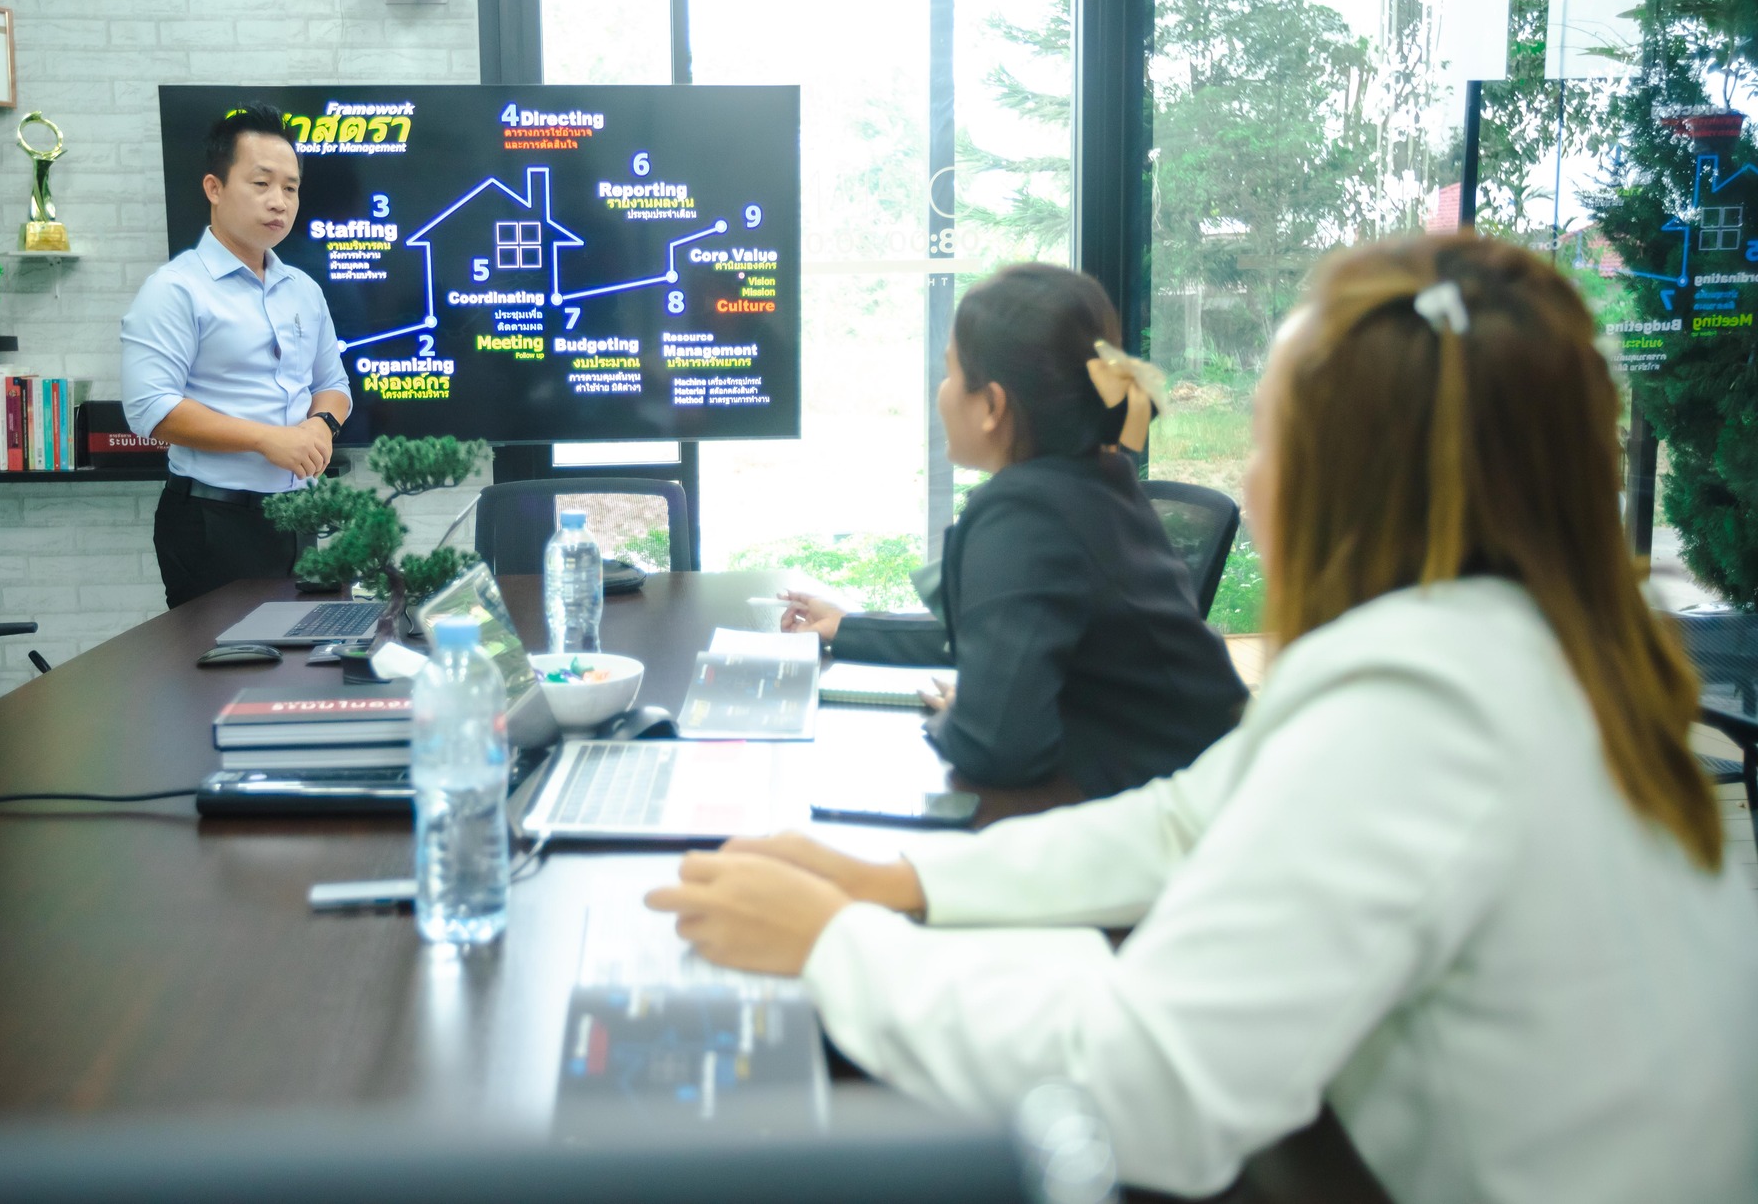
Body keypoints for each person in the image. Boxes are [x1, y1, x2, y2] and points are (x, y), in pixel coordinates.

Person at [647, 234, 1758, 1203]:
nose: (1254, 475)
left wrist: (834, 949)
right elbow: (1189, 821)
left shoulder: (1423, 708)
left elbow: (1158, 1090)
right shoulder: (1520, 650)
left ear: (1344, 477)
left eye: (1268, 441)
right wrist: (901, 884)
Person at [788, 263, 1246, 795]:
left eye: (951, 373)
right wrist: (848, 628)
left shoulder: (1022, 515)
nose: (941, 393)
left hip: (1168, 830)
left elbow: (995, 749)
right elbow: (1002, 630)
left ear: (992, 405)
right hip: (1209, 795)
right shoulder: (1093, 486)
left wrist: (967, 718)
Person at [121, 104, 351, 609]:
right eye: (262, 183)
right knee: (225, 679)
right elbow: (150, 409)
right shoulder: (176, 290)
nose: (279, 202)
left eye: (290, 188)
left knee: (297, 673)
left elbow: (334, 385)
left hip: (298, 518)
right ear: (214, 188)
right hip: (213, 522)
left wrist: (320, 427)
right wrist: (268, 440)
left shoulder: (304, 290)